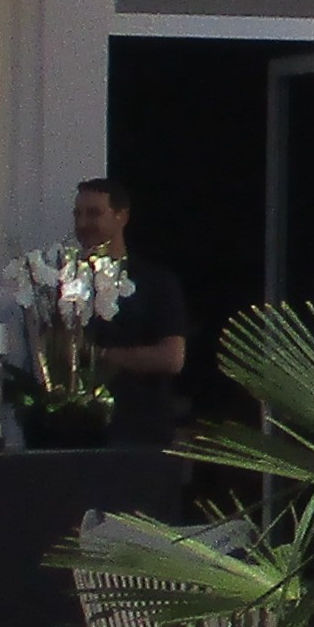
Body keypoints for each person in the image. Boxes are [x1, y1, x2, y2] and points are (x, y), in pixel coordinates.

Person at [75, 176, 194, 444]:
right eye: (78, 214)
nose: (83, 224)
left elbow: (172, 358)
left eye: (94, 214)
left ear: (121, 217)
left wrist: (98, 356)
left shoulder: (155, 282)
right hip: (77, 436)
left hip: (139, 435)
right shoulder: (66, 282)